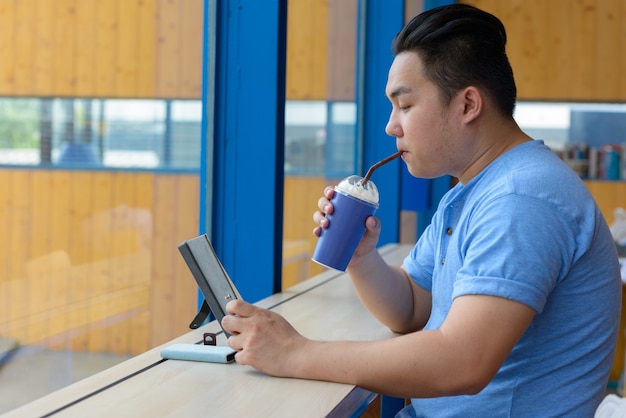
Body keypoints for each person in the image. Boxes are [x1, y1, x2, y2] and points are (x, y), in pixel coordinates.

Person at [222, 4, 622, 417]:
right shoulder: (472, 191)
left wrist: (295, 354)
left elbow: (462, 361)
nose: (391, 126)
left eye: (405, 105)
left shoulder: (521, 199)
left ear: (467, 105)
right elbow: (412, 308)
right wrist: (362, 256)